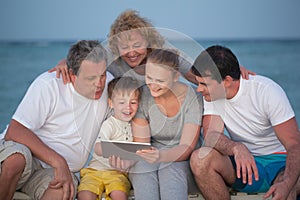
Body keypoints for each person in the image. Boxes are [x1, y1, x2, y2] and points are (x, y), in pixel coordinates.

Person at [0, 40, 113, 200]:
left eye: (102, 75)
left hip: (50, 173)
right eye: (91, 78)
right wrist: (58, 161)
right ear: (72, 75)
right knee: (15, 160)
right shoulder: (50, 84)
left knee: (64, 189)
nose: (99, 84)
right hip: (22, 156)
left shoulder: (110, 87)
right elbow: (14, 131)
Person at [189, 45, 300, 200]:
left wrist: (288, 183)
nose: (199, 89)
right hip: (246, 167)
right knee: (200, 159)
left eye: (204, 84)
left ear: (227, 81)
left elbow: (295, 145)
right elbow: (211, 135)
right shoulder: (213, 95)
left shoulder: (266, 91)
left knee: (288, 184)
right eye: (198, 83)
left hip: (281, 161)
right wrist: (236, 147)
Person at [49, 9, 255, 85]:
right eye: (125, 47)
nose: (131, 52)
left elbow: (194, 72)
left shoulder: (163, 51)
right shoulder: (110, 52)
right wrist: (64, 63)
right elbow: (85, 58)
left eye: (137, 45)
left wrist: (227, 71)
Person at [118, 49, 203, 200]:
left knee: (169, 169)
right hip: (152, 156)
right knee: (142, 168)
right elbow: (142, 145)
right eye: (149, 77)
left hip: (182, 160)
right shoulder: (143, 95)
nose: (153, 85)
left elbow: (186, 147)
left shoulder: (193, 98)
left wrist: (162, 156)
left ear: (176, 77)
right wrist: (127, 160)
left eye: (160, 81)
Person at [77, 76, 142, 200]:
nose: (128, 107)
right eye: (122, 102)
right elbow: (98, 147)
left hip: (117, 174)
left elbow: (138, 152)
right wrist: (118, 151)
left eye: (133, 102)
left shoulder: (136, 127)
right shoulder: (110, 124)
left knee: (119, 194)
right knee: (85, 193)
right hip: (95, 171)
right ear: (111, 103)